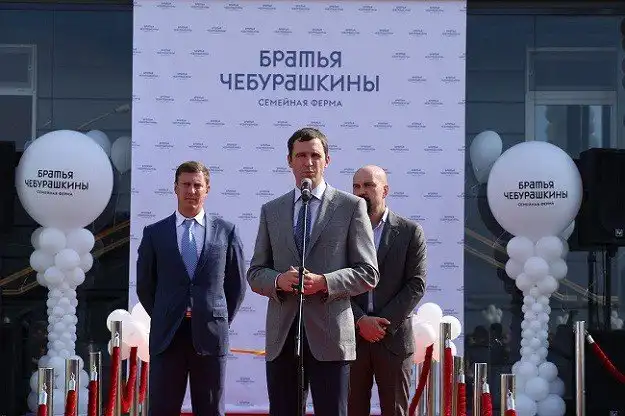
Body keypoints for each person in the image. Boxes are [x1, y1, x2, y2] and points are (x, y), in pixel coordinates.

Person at [247, 128, 379, 416]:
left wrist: (325, 282)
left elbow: (368, 272)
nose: (308, 162)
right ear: (289, 160)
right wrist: (278, 280)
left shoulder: (351, 207)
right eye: (301, 155)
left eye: (315, 155)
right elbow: (255, 272)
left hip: (331, 338)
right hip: (284, 337)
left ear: (327, 160)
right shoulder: (272, 210)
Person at [136, 161, 246, 416]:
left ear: (207, 189)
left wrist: (215, 317)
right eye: (186, 184)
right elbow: (145, 285)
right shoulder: (154, 233)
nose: (191, 191)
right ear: (175, 188)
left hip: (210, 336)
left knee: (210, 410)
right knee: (162, 409)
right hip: (168, 337)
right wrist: (166, 313)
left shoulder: (226, 232)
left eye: (198, 185)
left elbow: (236, 285)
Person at [348, 165, 427, 416]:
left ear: (385, 190)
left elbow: (416, 284)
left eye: (369, 185)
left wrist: (381, 324)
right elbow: (337, 284)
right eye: (357, 186)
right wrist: (360, 320)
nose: (362, 191)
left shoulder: (409, 231)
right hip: (352, 339)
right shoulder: (343, 233)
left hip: (393, 341)